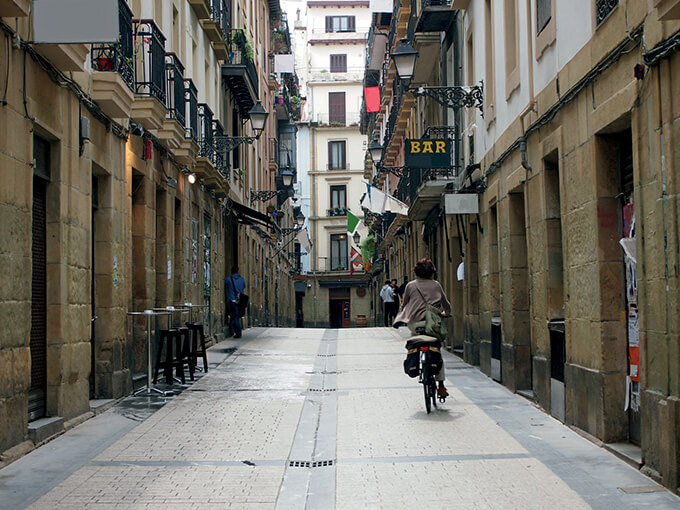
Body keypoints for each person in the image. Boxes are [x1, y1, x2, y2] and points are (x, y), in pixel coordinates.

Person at [393, 258, 452, 397]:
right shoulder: (436, 285)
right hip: (432, 325)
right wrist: (446, 313)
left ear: (416, 272)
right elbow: (446, 303)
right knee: (437, 349)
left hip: (415, 324)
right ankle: (441, 386)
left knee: (415, 340)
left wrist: (404, 313)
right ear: (432, 272)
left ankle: (414, 358)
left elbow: (404, 304)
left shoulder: (410, 286)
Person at [225, 266, 246, 338]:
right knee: (237, 316)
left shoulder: (228, 279)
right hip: (240, 301)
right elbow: (243, 287)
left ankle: (238, 332)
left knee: (235, 316)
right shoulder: (242, 280)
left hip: (232, 300)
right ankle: (234, 329)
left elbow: (225, 284)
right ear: (238, 271)